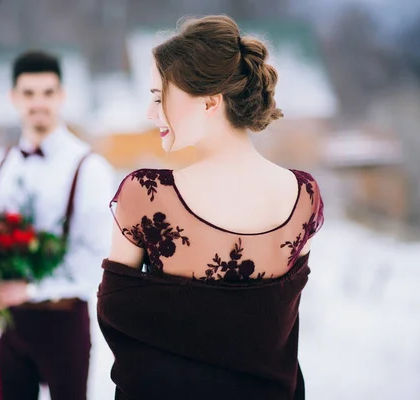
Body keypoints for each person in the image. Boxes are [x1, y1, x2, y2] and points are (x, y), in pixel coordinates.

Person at [97, 15, 324, 399]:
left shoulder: (147, 195)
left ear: (210, 101)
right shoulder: (305, 197)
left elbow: (116, 315)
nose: (151, 113)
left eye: (158, 96)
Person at [0, 50, 115, 400]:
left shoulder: (89, 167)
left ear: (62, 96)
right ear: (14, 98)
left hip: (62, 321)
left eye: (48, 93)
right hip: (6, 323)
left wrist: (31, 289)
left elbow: (94, 258)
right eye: (29, 93)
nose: (39, 103)